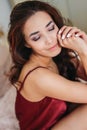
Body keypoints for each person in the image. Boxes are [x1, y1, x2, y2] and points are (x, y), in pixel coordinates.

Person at [8, 0, 87, 130]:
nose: (50, 40)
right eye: (36, 37)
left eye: (51, 28)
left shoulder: (56, 55)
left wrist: (83, 46)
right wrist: (83, 51)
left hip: (62, 120)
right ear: (26, 43)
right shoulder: (38, 77)